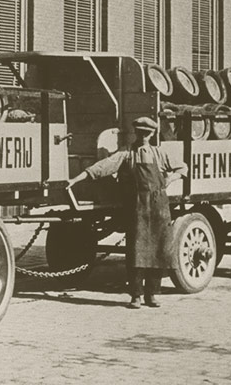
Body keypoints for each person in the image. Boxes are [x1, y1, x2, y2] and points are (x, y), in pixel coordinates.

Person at [67, 116, 188, 309]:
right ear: (136, 133)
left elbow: (183, 167)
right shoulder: (127, 153)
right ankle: (136, 296)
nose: (144, 136)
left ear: (153, 134)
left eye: (147, 133)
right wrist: (76, 179)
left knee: (158, 252)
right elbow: (102, 167)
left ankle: (153, 295)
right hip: (137, 207)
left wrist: (170, 179)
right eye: (141, 133)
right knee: (136, 253)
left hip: (159, 207)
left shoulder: (159, 154)